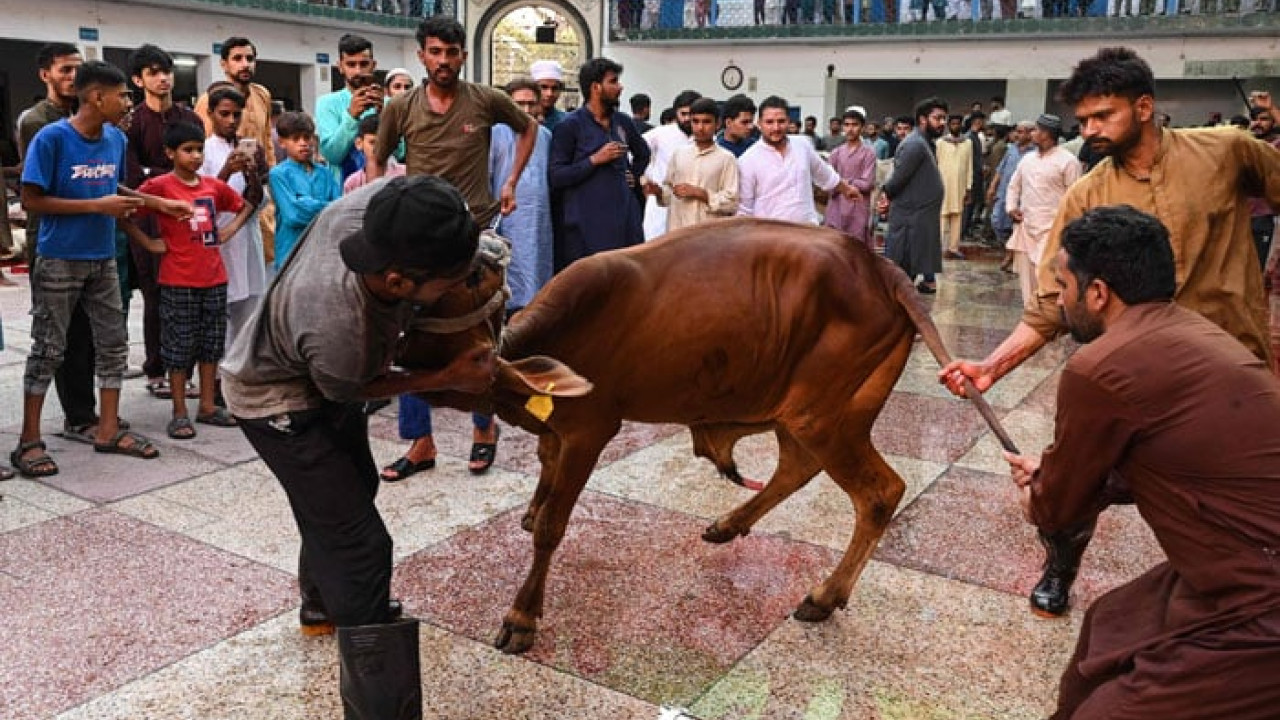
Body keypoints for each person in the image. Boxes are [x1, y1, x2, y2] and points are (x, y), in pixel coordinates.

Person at [941, 46, 1280, 618]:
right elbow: (1051, 303)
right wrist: (991, 367)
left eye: (1104, 116)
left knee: (1232, 494)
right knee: (1076, 477)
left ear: (1144, 107)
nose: (1090, 130)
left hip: (1223, 370)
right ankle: (1061, 564)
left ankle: (1238, 595)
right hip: (1127, 376)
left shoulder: (1227, 151)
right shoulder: (1087, 194)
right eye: (1084, 121)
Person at [221, 175, 496, 718]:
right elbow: (345, 389)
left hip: (311, 375)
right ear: (398, 281)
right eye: (450, 280)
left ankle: (321, 603)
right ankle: (378, 706)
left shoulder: (375, 209)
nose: (457, 283)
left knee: (344, 496)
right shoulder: (339, 319)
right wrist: (445, 374)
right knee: (361, 545)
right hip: (278, 403)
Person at [1004, 205, 1280, 719]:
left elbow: (1059, 511)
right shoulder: (1192, 331)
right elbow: (1165, 458)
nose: (1060, 301)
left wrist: (1039, 494)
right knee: (1112, 625)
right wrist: (1056, 481)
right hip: (1226, 563)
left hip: (1259, 596)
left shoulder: (1099, 366)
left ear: (1099, 293)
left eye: (1063, 285)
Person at [370, 15, 536, 477]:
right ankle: (421, 444)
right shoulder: (400, 106)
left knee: (480, 334)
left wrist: (510, 180)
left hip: (474, 232)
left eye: (452, 52)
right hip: (417, 238)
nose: (444, 61)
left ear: (464, 55)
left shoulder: (484, 100)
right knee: (405, 339)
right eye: (436, 52)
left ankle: (485, 428)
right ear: (422, 54)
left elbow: (528, 129)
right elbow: (377, 156)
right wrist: (377, 196)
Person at [15, 60, 191, 477]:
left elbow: (112, 186)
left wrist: (158, 203)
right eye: (122, 95)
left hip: (102, 258)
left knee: (112, 345)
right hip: (58, 257)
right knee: (48, 349)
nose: (127, 103)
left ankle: (107, 429)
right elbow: (32, 200)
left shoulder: (113, 138)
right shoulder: (51, 138)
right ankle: (29, 440)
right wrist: (97, 206)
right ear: (96, 97)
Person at [16, 41, 111, 445]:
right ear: (45, 75)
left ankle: (86, 412)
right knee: (58, 336)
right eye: (65, 70)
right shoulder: (39, 123)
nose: (72, 77)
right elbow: (38, 188)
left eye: (77, 70)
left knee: (93, 332)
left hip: (93, 239)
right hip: (52, 237)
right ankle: (74, 416)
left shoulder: (95, 123)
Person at [132, 122, 253, 438]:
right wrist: (146, 243)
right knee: (178, 346)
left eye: (199, 149)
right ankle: (179, 411)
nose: (196, 156)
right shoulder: (159, 186)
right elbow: (129, 208)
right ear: (170, 153)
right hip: (177, 279)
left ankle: (208, 406)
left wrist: (231, 228)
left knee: (211, 345)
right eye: (188, 150)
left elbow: (243, 204)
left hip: (214, 277)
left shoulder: (213, 186)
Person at [125, 44, 204, 401]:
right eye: (153, 72)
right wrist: (167, 177)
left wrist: (155, 174)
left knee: (190, 294)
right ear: (138, 79)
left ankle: (185, 371)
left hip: (189, 216)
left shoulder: (191, 119)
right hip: (150, 219)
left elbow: (197, 170)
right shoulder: (132, 122)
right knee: (156, 295)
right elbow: (131, 177)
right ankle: (157, 368)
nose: (162, 78)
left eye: (166, 71)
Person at [548, 57, 650, 271]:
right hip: (586, 224)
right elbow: (557, 176)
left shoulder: (622, 123)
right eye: (613, 82)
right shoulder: (570, 126)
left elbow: (643, 153)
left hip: (624, 220)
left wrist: (632, 174)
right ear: (596, 87)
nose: (620, 87)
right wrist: (595, 160)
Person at [193, 36, 277, 269]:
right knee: (226, 262)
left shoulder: (262, 95)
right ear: (224, 64)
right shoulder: (209, 101)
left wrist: (267, 180)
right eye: (237, 59)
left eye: (249, 59)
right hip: (222, 192)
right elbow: (204, 150)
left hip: (257, 191)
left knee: (262, 260)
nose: (245, 64)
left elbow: (267, 140)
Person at [199, 85, 270, 360]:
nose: (230, 120)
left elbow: (259, 201)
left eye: (236, 115)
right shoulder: (203, 151)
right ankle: (217, 376)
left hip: (248, 235)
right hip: (221, 237)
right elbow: (202, 200)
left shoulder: (249, 148)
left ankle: (243, 368)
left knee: (250, 306)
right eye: (224, 114)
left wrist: (257, 175)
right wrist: (227, 171)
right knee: (221, 311)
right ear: (211, 114)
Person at [737, 95, 855, 224]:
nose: (776, 128)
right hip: (769, 237)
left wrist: (847, 190)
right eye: (769, 122)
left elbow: (824, 174)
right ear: (759, 124)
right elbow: (744, 209)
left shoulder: (802, 144)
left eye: (781, 121)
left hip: (806, 230)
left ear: (789, 121)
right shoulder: (747, 160)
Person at [1005, 114, 1082, 309]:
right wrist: (1011, 207)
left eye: (1036, 130)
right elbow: (1014, 185)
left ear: (1047, 134)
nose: (1032, 134)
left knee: (1046, 273)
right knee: (1026, 275)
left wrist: (1069, 229)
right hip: (1026, 225)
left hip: (1053, 228)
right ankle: (1030, 310)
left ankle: (1048, 314)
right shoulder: (1028, 159)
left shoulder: (1068, 161)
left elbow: (1075, 196)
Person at [877, 97, 946, 293]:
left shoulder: (925, 142)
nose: (942, 123)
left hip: (919, 216)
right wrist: (886, 197)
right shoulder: (914, 144)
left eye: (944, 118)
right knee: (902, 271)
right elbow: (898, 179)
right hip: (910, 218)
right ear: (923, 119)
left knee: (912, 266)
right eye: (937, 118)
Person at [654, 97, 738, 231]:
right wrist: (657, 192)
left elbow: (732, 202)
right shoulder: (679, 154)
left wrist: (701, 193)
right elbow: (669, 194)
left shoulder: (726, 158)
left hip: (709, 235)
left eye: (706, 122)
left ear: (717, 124)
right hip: (678, 232)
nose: (700, 127)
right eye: (696, 121)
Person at [269, 111, 341, 271]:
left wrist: (305, 203)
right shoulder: (279, 174)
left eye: (307, 138)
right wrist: (326, 207)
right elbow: (293, 215)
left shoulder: (325, 172)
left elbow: (338, 209)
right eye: (295, 139)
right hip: (291, 252)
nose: (303, 143)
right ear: (282, 142)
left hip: (323, 252)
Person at [315, 34, 383, 184]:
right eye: (351, 65)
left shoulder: (389, 103)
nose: (358, 71)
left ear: (373, 65)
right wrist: (351, 117)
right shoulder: (327, 103)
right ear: (340, 67)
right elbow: (332, 155)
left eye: (364, 64)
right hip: (343, 193)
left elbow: (401, 152)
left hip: (386, 191)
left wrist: (384, 116)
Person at [641, 89, 700, 239]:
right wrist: (644, 177)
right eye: (683, 114)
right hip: (661, 205)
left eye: (691, 114)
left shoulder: (706, 139)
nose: (687, 118)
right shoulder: (660, 133)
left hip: (692, 205)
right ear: (676, 113)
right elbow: (634, 152)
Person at [824, 106, 877, 245]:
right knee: (833, 248)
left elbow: (867, 183)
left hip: (857, 207)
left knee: (857, 250)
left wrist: (842, 182)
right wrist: (839, 185)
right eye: (847, 125)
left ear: (862, 128)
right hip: (836, 207)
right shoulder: (836, 153)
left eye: (855, 125)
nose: (850, 129)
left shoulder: (868, 153)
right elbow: (828, 182)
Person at [936, 113, 972, 261]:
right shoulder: (940, 143)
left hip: (960, 187)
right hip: (943, 185)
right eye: (953, 124)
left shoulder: (967, 143)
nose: (955, 126)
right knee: (941, 217)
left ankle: (953, 248)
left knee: (957, 217)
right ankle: (936, 248)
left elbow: (969, 166)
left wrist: (968, 187)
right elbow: (936, 164)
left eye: (958, 123)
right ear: (948, 126)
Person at [343, 115, 405, 195]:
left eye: (383, 141)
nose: (378, 147)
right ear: (359, 143)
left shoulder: (405, 175)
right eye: (372, 142)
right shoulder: (352, 183)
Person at [715, 93, 757, 158]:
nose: (750, 127)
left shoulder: (755, 147)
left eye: (751, 121)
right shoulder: (717, 150)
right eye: (744, 122)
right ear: (728, 123)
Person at [531, 59, 567, 130]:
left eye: (554, 88)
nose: (549, 94)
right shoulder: (520, 120)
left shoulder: (567, 121)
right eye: (544, 87)